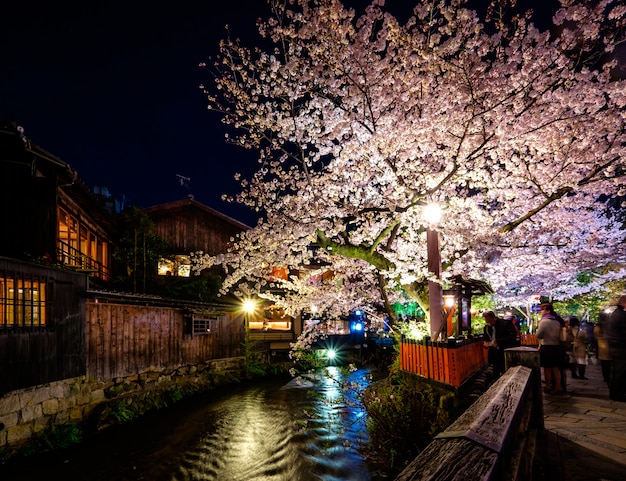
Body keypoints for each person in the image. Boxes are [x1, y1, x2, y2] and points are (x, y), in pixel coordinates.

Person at [536, 302, 563, 394]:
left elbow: (539, 335)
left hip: (547, 346)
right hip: (556, 346)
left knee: (547, 368)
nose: (541, 312)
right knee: (555, 367)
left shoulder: (543, 322)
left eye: (542, 310)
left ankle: (548, 386)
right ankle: (558, 386)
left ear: (548, 311)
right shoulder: (556, 322)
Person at [482, 310, 518, 378]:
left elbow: (512, 336)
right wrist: (486, 343)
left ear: (493, 318)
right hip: (493, 353)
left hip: (504, 351)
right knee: (495, 373)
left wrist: (498, 342)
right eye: (487, 322)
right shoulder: (487, 328)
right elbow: (486, 339)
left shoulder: (505, 324)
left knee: (506, 372)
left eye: (489, 321)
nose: (489, 323)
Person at [606, 295, 626, 402]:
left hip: (616, 347)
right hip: (620, 348)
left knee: (618, 372)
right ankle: (618, 394)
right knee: (621, 373)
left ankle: (615, 393)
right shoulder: (621, 315)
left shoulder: (616, 314)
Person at [594, 310, 613, 384]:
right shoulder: (610, 325)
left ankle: (606, 377)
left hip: (601, 347)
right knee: (611, 363)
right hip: (610, 346)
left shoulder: (598, 327)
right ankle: (611, 376)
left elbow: (595, 336)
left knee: (604, 364)